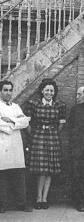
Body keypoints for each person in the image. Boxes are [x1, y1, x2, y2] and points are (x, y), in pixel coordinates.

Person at [24, 79, 66, 210]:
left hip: (52, 138)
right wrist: (34, 134)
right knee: (41, 170)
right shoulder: (33, 104)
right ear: (42, 90)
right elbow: (26, 123)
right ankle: (38, 197)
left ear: (54, 92)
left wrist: (51, 132)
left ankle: (45, 198)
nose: (49, 93)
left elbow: (62, 123)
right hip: (38, 138)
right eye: (47, 90)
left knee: (49, 170)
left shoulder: (59, 105)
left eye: (52, 91)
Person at [0, 80, 32, 213]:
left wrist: (10, 120)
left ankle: (22, 203)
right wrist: (16, 123)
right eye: (5, 90)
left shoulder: (16, 107)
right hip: (3, 144)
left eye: (10, 90)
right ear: (0, 91)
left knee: (19, 174)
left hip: (16, 144)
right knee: (3, 176)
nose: (8, 93)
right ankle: (3, 204)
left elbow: (25, 122)